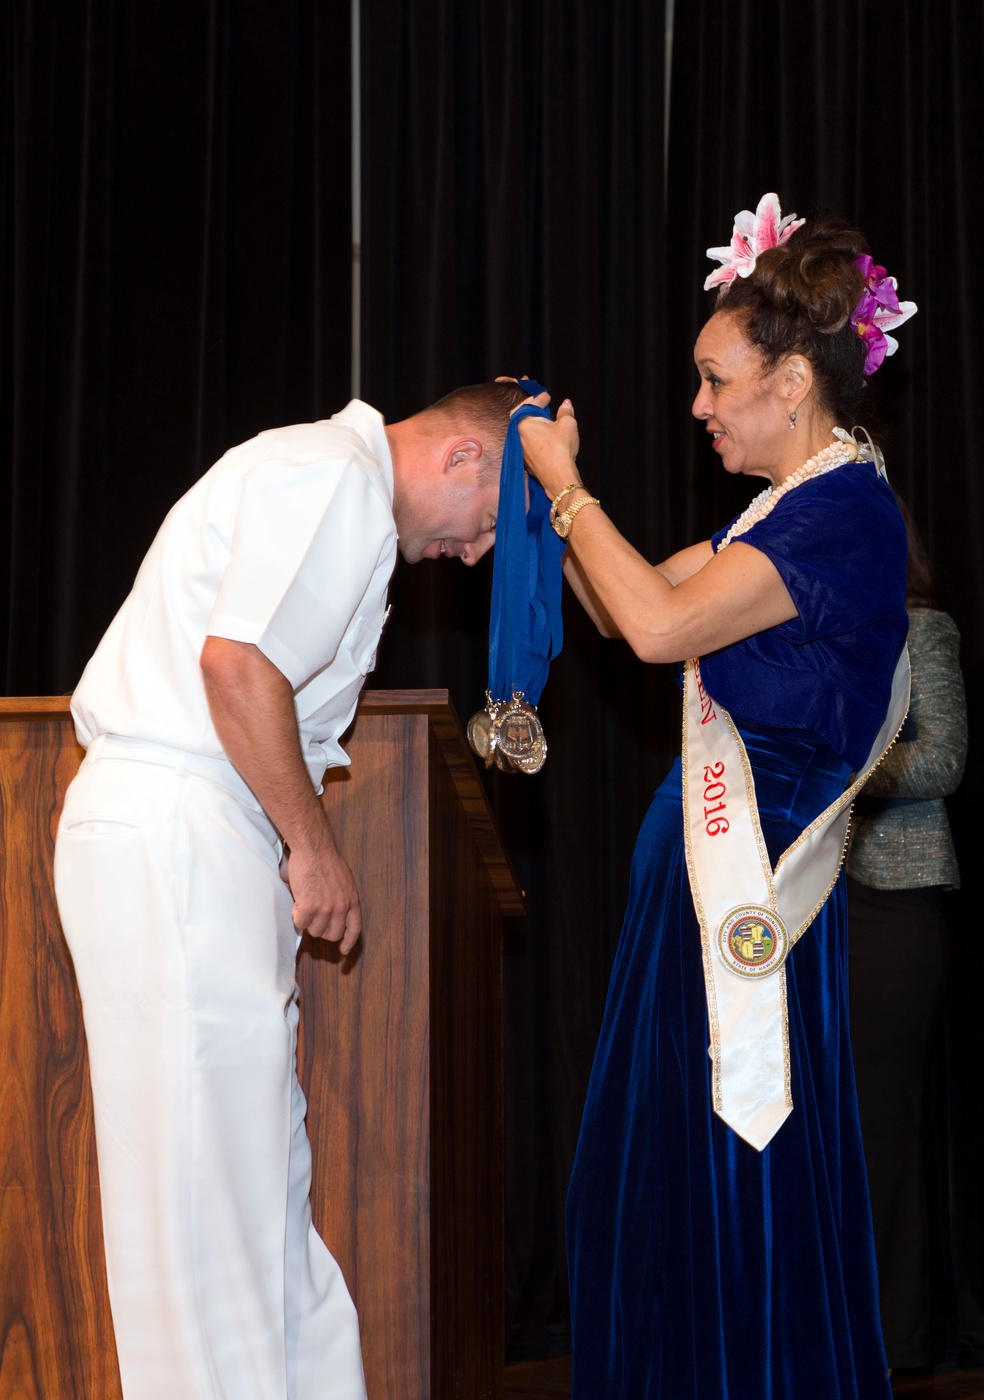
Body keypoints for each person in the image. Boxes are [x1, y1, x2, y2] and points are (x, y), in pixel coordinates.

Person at [53, 380, 527, 1400]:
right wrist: (312, 849)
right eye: (493, 522)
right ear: (461, 457)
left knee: (261, 1202)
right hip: (179, 819)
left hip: (211, 836)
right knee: (201, 1216)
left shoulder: (334, 484)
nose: (479, 553)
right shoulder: (335, 481)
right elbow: (238, 669)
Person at [518, 196, 913, 1398]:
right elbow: (608, 598)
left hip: (753, 912)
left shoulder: (843, 515)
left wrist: (568, 488)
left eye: (712, 379)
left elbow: (653, 625)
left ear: (792, 382)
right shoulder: (774, 514)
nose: (696, 407)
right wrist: (550, 490)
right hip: (691, 901)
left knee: (734, 1179)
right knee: (655, 1183)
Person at [847, 501, 967, 1373]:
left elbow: (943, 759)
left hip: (896, 904)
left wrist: (843, 763)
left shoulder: (923, 627)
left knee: (884, 1129)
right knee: (831, 1127)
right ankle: (837, 1329)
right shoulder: (808, 628)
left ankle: (896, 1343)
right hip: (809, 908)